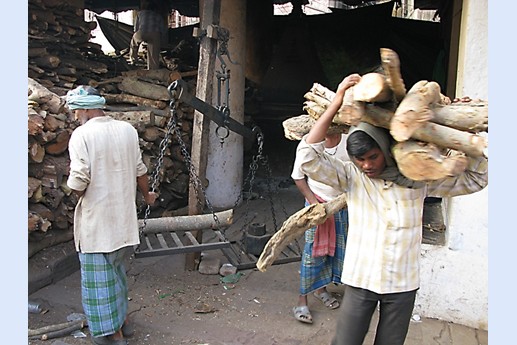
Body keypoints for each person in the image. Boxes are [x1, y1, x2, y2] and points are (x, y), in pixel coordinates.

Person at [297, 74, 488, 345]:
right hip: (362, 278)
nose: (366, 165)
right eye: (359, 159)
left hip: (402, 282)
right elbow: (307, 157)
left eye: (372, 157)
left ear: (386, 150)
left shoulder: (418, 177)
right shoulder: (352, 177)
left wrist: (466, 136)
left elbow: (476, 178)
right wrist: (337, 101)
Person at [65, 85, 158, 345]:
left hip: (98, 224)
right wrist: (147, 195)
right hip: (123, 221)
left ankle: (112, 334)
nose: (74, 117)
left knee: (99, 283)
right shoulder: (127, 130)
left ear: (86, 109)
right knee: (116, 274)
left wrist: (70, 191)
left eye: (76, 111)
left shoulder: (81, 135)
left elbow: (80, 178)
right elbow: (140, 170)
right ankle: (124, 320)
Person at [291, 131, 349, 324]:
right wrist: (315, 205)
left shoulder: (350, 140)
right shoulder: (309, 143)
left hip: (342, 205)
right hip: (317, 204)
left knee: (336, 251)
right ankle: (302, 300)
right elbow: (298, 177)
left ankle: (321, 289)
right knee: (312, 254)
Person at [129, 1, 167, 70]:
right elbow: (163, 30)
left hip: (142, 31)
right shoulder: (159, 16)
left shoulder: (140, 13)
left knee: (134, 43)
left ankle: (133, 59)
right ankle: (153, 70)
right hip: (155, 34)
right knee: (153, 55)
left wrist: (137, 34)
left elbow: (136, 27)